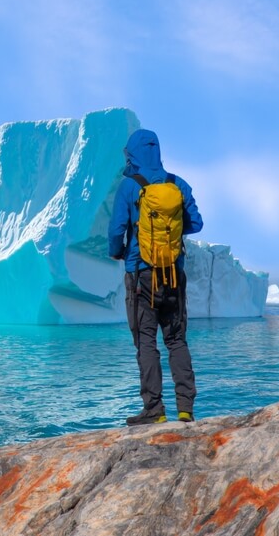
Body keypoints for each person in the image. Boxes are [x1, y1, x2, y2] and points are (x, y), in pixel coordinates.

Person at [108, 128, 203, 425]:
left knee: (146, 340)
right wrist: (171, 234)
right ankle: (185, 409)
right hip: (174, 273)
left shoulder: (128, 187)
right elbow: (196, 224)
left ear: (132, 153)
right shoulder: (178, 184)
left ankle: (154, 410)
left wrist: (119, 251)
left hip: (140, 274)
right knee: (176, 339)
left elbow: (116, 230)